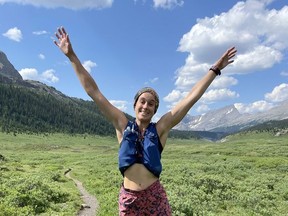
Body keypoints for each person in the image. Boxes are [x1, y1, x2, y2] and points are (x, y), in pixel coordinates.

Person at [54, 26, 237, 215]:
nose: (145, 106)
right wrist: (72, 56)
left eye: (151, 104)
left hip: (155, 198)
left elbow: (191, 98)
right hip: (129, 200)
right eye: (142, 101)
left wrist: (215, 69)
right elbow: (94, 92)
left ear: (155, 110)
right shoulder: (122, 124)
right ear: (135, 104)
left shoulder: (160, 129)